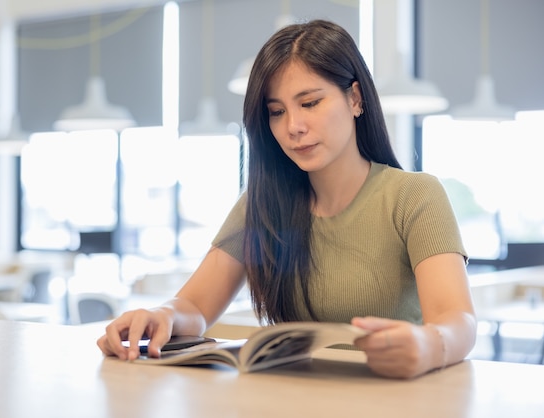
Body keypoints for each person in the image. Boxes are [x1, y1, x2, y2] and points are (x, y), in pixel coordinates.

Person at [97, 19, 476, 379]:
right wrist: (160, 315)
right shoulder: (262, 205)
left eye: (309, 103)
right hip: (291, 398)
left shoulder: (414, 196)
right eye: (277, 112)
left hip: (388, 398)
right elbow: (195, 306)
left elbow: (457, 319)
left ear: (355, 98)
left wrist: (430, 345)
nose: (293, 126)